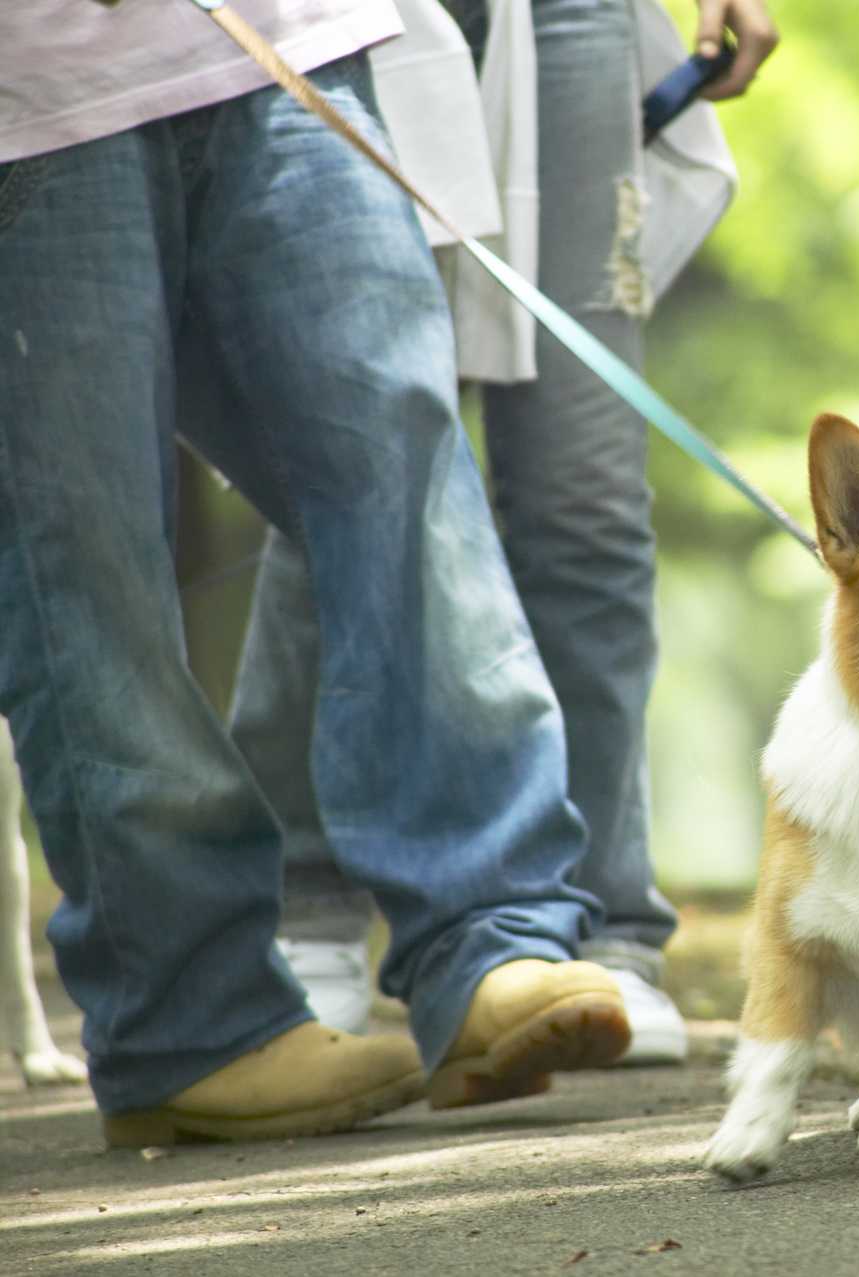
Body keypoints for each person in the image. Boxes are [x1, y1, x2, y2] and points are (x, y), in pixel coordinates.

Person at [0, 0, 635, 1143]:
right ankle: (194, 1019)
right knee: (84, 566)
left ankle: (491, 935)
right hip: (25, 103)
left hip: (286, 37)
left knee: (404, 464)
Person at [242, 0, 778, 1064]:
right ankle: (305, 907)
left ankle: (605, 925)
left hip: (573, 21)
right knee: (351, 471)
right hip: (343, 19)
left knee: (589, 502)